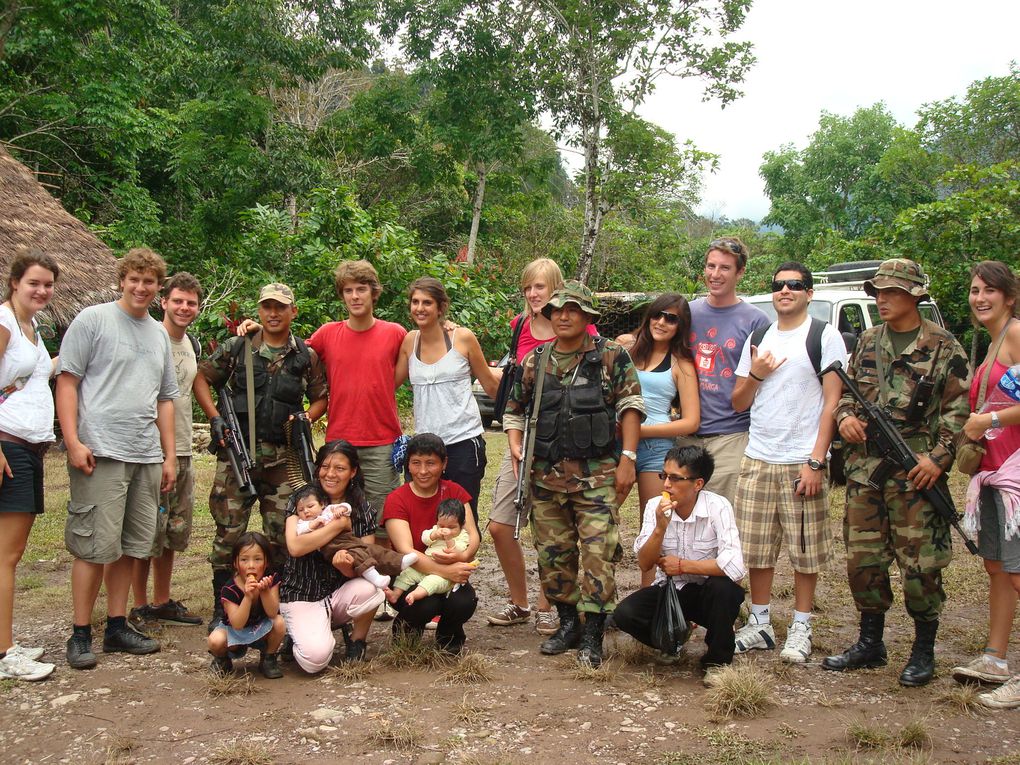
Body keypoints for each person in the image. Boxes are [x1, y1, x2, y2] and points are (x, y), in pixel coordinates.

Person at [822, 258, 970, 687]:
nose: (882, 299)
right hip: (866, 472)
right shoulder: (868, 341)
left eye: (891, 292)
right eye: (878, 292)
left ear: (916, 295)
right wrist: (846, 416)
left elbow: (958, 414)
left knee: (921, 566)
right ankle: (871, 643)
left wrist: (937, 459)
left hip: (916, 472)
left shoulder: (945, 348)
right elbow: (848, 392)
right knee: (863, 561)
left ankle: (924, 650)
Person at [504, 280, 645, 668]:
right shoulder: (536, 360)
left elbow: (631, 404)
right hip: (545, 478)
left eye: (572, 310)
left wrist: (628, 458)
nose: (563, 316)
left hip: (597, 478)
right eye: (556, 310)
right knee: (553, 556)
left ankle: (593, 635)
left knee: (598, 555)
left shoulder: (611, 355)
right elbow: (515, 409)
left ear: (587, 316)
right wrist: (516, 445)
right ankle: (568, 625)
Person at [57, 248, 179, 669]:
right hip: (100, 450)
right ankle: (79, 633)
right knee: (93, 546)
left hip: (144, 453)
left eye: (149, 281)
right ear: (121, 279)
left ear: (158, 287)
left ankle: (117, 624)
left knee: (131, 546)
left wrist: (168, 456)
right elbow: (68, 381)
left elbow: (165, 399)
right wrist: (72, 440)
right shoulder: (93, 319)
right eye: (134, 279)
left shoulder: (159, 334)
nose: (141, 287)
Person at [729, 262, 847, 663]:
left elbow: (833, 402)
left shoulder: (823, 336)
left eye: (795, 285)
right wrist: (757, 374)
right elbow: (739, 401)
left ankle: (801, 625)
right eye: (779, 285)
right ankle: (760, 622)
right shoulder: (759, 337)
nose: (785, 291)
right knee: (757, 549)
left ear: (809, 293)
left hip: (802, 459)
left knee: (804, 549)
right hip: (759, 456)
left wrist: (817, 460)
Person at [193, 283, 327, 625]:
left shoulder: (305, 355)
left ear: (293, 312)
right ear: (260, 309)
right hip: (238, 457)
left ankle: (278, 609)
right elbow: (201, 378)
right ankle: (222, 608)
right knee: (228, 534)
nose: (273, 313)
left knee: (283, 537)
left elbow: (321, 396)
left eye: (281, 307)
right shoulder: (237, 347)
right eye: (267, 306)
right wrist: (215, 418)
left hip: (284, 460)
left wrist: (306, 418)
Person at [487, 258, 597, 634]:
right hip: (523, 440)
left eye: (541, 288)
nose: (534, 295)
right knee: (501, 526)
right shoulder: (520, 326)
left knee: (555, 530)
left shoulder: (583, 329)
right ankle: (519, 601)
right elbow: (515, 390)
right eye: (528, 288)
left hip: (566, 446)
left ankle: (548, 603)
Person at [950, 261, 1020, 709]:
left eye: (989, 291)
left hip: (1014, 475)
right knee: (997, 568)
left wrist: (988, 419)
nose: (980, 298)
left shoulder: (1015, 334)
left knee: (1016, 572)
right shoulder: (994, 342)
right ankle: (995, 658)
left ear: (1009, 297)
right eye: (975, 289)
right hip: (991, 472)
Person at [614, 446, 746, 671]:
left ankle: (717, 662)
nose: (666, 484)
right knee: (625, 614)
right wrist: (659, 529)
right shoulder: (655, 507)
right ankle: (673, 638)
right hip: (670, 591)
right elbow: (644, 563)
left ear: (698, 484)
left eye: (675, 478)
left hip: (707, 593)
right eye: (664, 476)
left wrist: (684, 566)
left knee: (725, 591)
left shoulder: (718, 506)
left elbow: (735, 566)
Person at [306, 260, 406, 529]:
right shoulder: (327, 334)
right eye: (348, 290)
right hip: (340, 440)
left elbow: (427, 347)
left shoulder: (395, 333)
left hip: (382, 440)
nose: (354, 296)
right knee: (334, 513)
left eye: (361, 289)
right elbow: (291, 354)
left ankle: (387, 571)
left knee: (385, 515)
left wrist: (448, 327)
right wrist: (258, 333)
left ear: (374, 292)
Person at [129, 273, 204, 630]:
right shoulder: (149, 338)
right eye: (178, 301)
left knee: (174, 529)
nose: (184, 308)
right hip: (152, 451)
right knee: (147, 530)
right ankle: (139, 604)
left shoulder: (191, 344)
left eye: (190, 302)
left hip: (184, 447)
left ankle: (161, 599)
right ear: (164, 301)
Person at [0, 250, 59, 682]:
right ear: (14, 282)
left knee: (10, 554)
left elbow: (39, 376)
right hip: (8, 445)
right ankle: (5, 652)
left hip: (28, 447)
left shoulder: (31, 328)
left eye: (47, 284)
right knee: (7, 555)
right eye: (33, 283)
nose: (41, 290)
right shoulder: (4, 324)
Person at [395, 277, 499, 519]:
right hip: (424, 445)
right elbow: (388, 384)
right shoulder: (410, 341)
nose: (420, 308)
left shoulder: (462, 338)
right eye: (415, 302)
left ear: (441, 307)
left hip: (463, 441)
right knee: (423, 517)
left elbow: (490, 385)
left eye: (427, 302)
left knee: (461, 517)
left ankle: (465, 558)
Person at [615, 293, 700, 586]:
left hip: (654, 449)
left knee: (652, 522)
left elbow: (691, 420)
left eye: (671, 318)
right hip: (616, 445)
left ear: (680, 325)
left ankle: (647, 596)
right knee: (601, 520)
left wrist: (638, 431)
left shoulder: (681, 363)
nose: (662, 322)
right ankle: (599, 598)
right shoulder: (626, 350)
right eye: (658, 315)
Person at [280, 441, 386, 670]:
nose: (330, 474)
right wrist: (338, 526)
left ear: (353, 471)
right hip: (302, 592)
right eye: (325, 466)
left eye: (340, 468)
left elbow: (364, 558)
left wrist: (344, 566)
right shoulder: (302, 499)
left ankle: (357, 641)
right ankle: (295, 631)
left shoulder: (362, 507)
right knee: (315, 662)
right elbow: (296, 547)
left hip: (338, 593)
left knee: (373, 585)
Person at [678, 237, 769, 503]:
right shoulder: (687, 312)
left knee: (722, 519)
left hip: (731, 435)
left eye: (725, 268)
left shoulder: (755, 319)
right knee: (683, 518)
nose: (715, 274)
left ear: (740, 272)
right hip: (686, 434)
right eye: (711, 266)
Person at [383, 433, 481, 654]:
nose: (423, 471)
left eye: (431, 463)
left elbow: (473, 535)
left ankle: (449, 634)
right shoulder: (397, 499)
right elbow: (406, 551)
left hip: (448, 571)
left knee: (464, 601)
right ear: (408, 464)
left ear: (444, 463)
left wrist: (463, 558)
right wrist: (448, 570)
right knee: (426, 603)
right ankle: (406, 628)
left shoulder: (455, 491)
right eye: (416, 463)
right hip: (409, 574)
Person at [292, 483, 417, 587]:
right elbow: (300, 532)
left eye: (310, 506)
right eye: (301, 510)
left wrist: (342, 510)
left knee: (372, 549)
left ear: (321, 504)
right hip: (333, 547)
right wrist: (312, 525)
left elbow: (346, 507)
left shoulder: (328, 510)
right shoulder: (303, 522)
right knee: (356, 555)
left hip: (348, 539)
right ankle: (374, 577)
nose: (306, 511)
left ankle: (399, 561)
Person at [207, 532, 286, 679]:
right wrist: (248, 597)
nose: (251, 566)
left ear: (266, 562)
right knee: (215, 640)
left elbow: (272, 612)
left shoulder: (271, 579)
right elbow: (237, 623)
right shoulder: (229, 589)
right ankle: (222, 660)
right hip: (234, 630)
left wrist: (265, 592)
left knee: (279, 623)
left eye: (257, 559)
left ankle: (268, 658)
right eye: (244, 560)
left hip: (260, 627)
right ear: (235, 563)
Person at [387, 497, 474, 605]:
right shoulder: (435, 530)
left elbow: (459, 549)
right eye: (441, 526)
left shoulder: (463, 535)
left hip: (446, 573)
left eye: (452, 527)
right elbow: (425, 538)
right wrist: (434, 534)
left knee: (433, 582)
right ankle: (395, 594)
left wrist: (449, 540)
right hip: (425, 566)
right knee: (407, 573)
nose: (445, 529)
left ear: (462, 524)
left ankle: (416, 594)